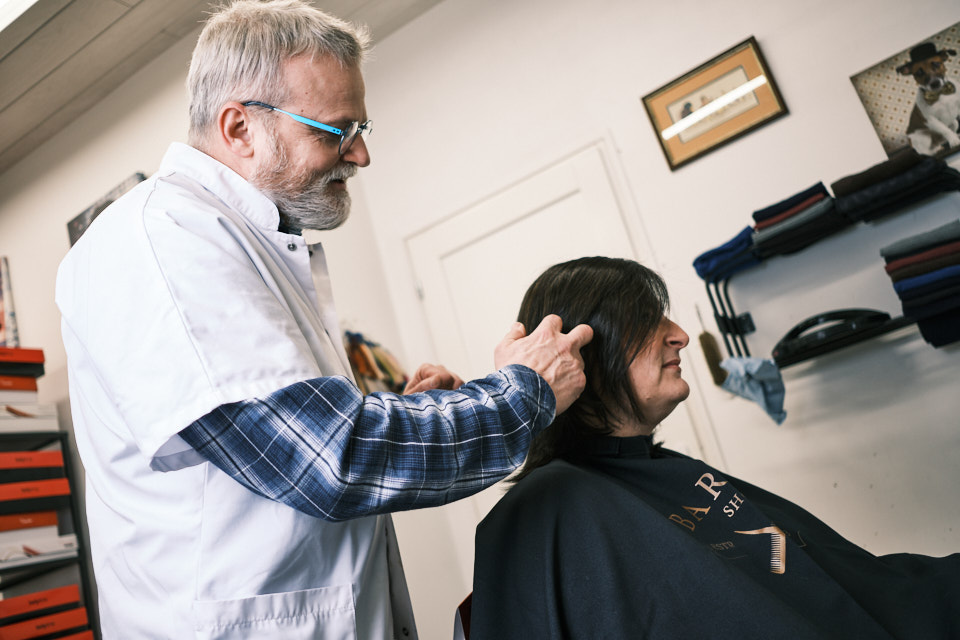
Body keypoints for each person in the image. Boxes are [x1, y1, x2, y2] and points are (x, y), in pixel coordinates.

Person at [54, 2, 592, 638]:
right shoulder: (160, 240)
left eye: (361, 127)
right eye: (334, 130)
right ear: (239, 128)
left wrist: (406, 413)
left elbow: (305, 440)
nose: (360, 154)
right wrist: (521, 397)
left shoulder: (248, 243)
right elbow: (331, 460)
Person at [471, 256, 959, 640]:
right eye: (646, 320)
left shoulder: (657, 469)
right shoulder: (547, 511)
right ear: (583, 354)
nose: (679, 336)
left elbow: (847, 584)